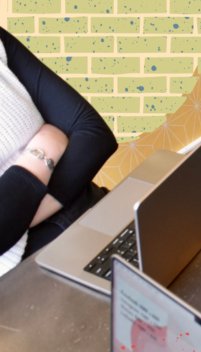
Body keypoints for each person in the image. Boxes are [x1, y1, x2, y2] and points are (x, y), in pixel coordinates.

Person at [0, 27, 117, 276]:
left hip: (95, 209)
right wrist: (45, 148)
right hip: (22, 273)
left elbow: (94, 135)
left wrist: (18, 213)